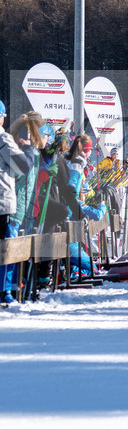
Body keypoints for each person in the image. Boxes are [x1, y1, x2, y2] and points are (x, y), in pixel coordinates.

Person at [1, 101, 36, 304]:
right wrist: (28, 149)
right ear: (2, 116)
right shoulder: (3, 139)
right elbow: (23, 166)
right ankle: (4, 291)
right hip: (3, 204)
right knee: (6, 250)